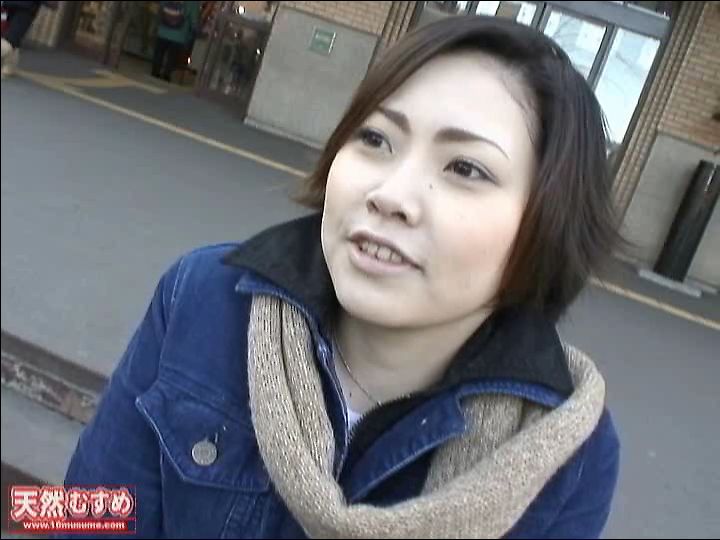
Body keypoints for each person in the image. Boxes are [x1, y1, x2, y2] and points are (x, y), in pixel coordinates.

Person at [61, 15, 621, 539]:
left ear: (548, 224)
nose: (390, 195)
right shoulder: (204, 297)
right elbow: (88, 514)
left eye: (465, 168)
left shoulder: (566, 450)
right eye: (376, 140)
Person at [0, 1, 51, 79]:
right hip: (11, 6)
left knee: (11, 39)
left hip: (25, 8)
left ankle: (9, 67)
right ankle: (9, 66)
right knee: (11, 37)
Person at [151, 0, 199, 82]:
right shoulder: (193, 3)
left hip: (163, 30)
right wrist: (192, 34)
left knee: (158, 54)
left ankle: (155, 73)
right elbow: (193, 20)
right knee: (172, 57)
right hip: (179, 36)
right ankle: (166, 75)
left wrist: (156, 26)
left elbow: (160, 9)